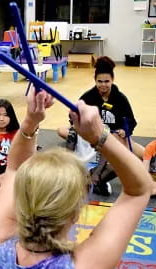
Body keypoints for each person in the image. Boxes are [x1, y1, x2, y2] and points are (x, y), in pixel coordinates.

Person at [0, 88, 152, 269]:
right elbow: (140, 189)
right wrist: (100, 136)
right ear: (75, 212)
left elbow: (13, 168)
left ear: (18, 201)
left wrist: (31, 120)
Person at [57, 56, 144, 195]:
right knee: (61, 130)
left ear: (113, 80)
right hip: (91, 134)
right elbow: (73, 116)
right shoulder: (88, 96)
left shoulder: (120, 98)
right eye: (100, 81)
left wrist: (124, 131)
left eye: (107, 81)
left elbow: (131, 120)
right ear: (95, 80)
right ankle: (72, 170)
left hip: (114, 135)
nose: (103, 85)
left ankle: (97, 172)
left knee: (143, 155)